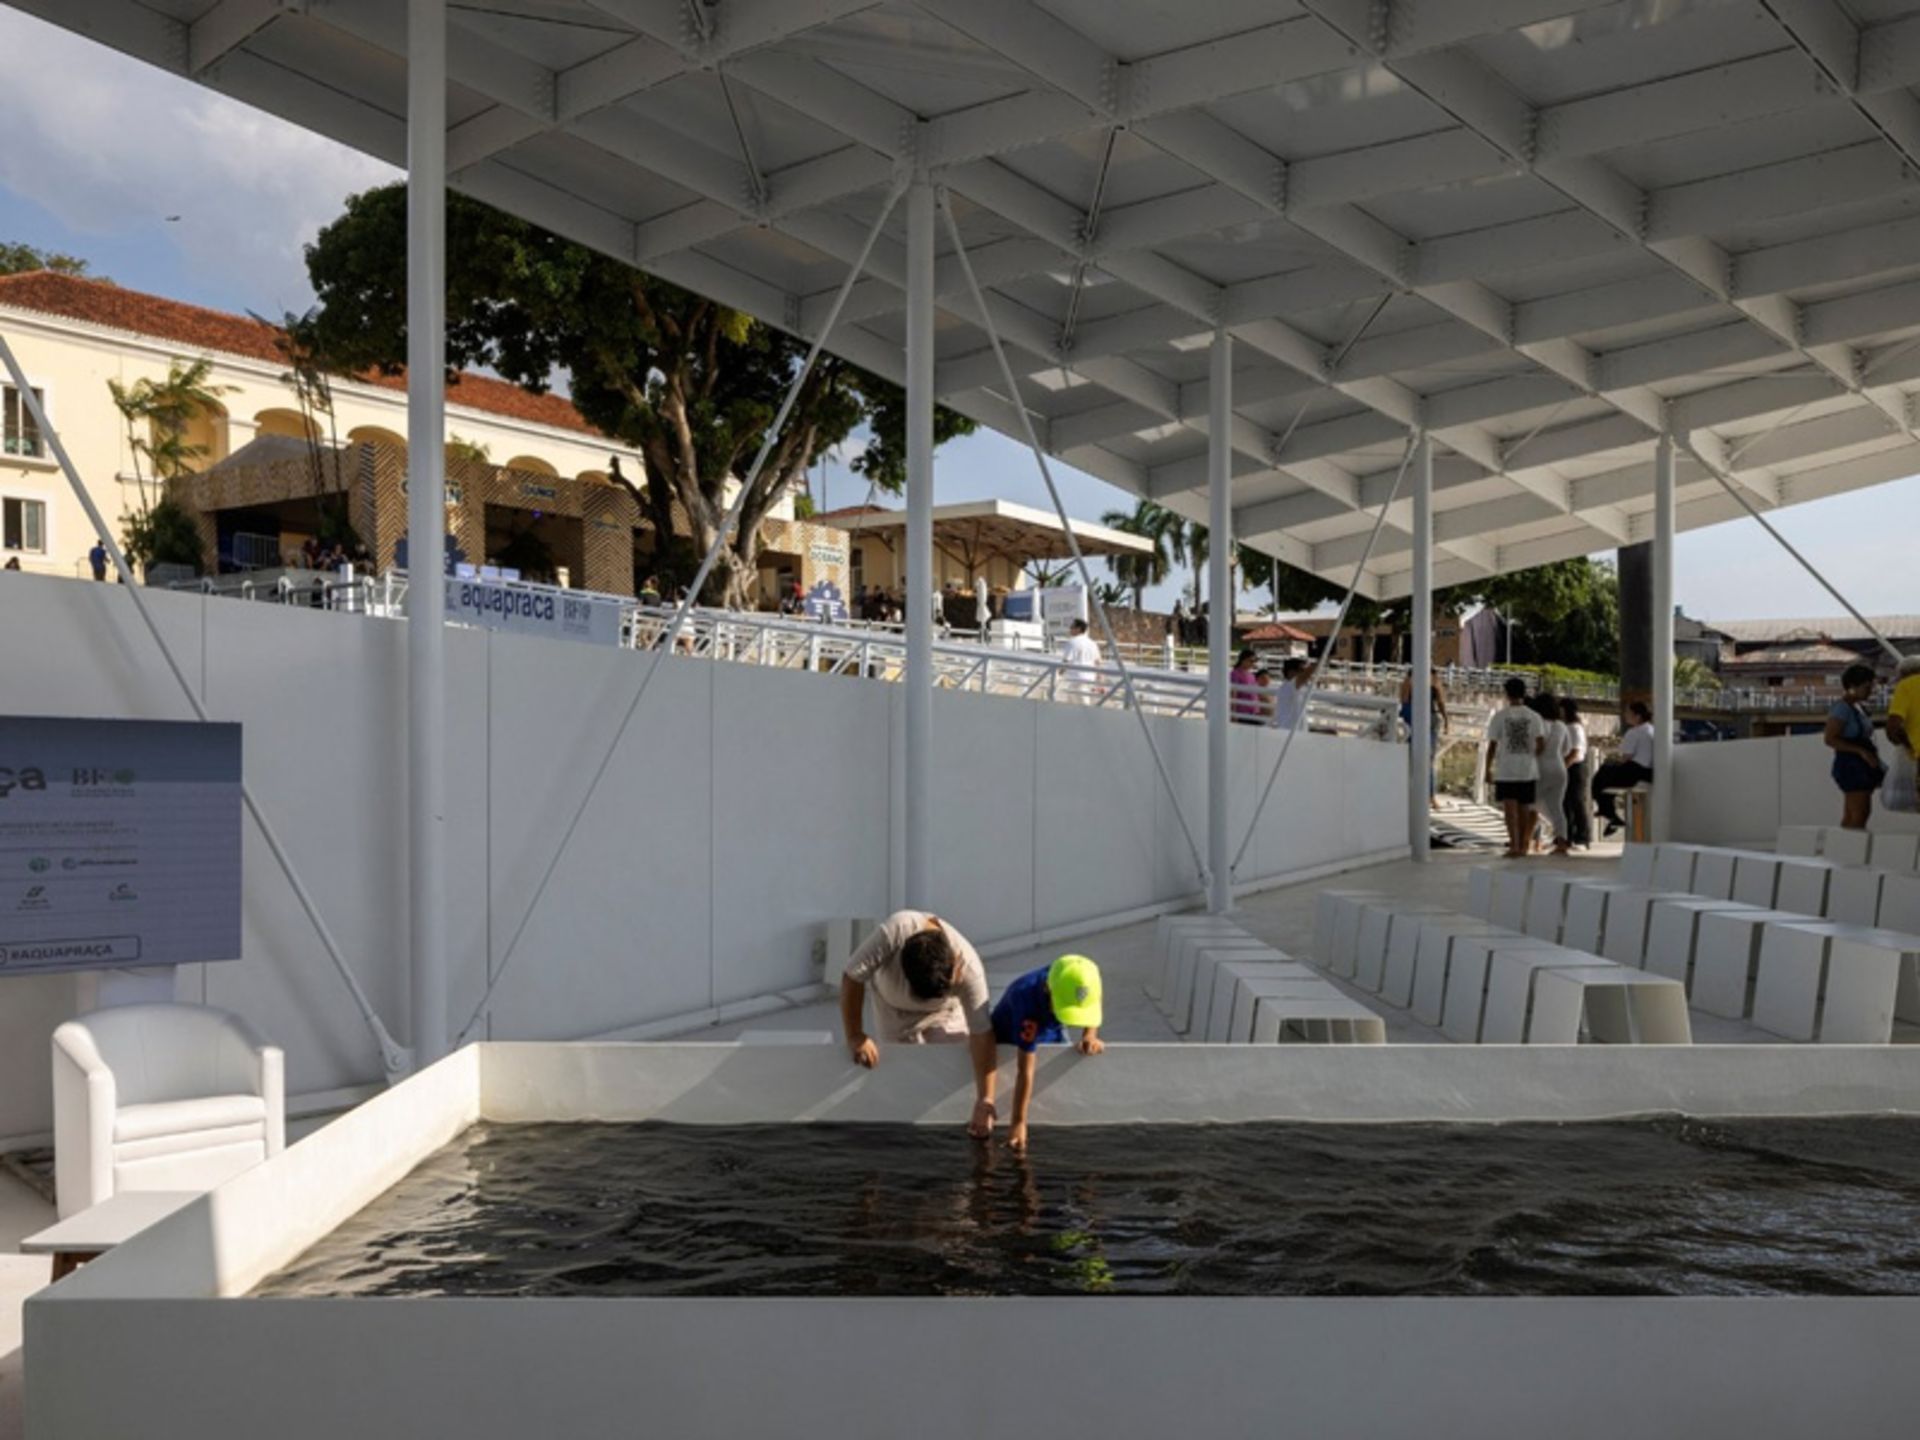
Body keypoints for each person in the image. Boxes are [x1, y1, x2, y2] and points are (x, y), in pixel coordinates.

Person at [840, 911, 1000, 1139]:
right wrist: (855, 1035)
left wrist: (986, 1099)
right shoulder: (893, 932)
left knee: (955, 1069)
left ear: (955, 966)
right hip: (892, 1010)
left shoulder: (969, 968)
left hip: (944, 1013)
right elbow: (852, 976)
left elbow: (982, 1033)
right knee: (896, 1083)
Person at [990, 954, 1104, 1152]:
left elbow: (1093, 1001)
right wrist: (1018, 1122)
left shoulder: (1080, 978)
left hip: (1052, 1025)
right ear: (1047, 990)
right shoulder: (1025, 1001)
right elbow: (1025, 1070)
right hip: (1012, 1032)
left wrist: (1089, 1035)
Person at [1485, 676, 1546, 859]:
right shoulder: (1534, 717)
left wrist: (1488, 768)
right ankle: (1523, 846)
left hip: (1506, 769)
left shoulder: (1500, 717)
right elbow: (1541, 744)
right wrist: (1531, 755)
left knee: (1510, 810)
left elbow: (1492, 745)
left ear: (1507, 694)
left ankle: (1514, 845)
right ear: (1524, 693)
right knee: (1524, 808)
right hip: (1528, 768)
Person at [1826, 663, 1886, 831]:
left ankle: (1846, 842)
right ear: (1853, 686)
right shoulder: (1842, 709)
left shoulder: (1857, 707)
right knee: (1859, 813)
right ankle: (1853, 843)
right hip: (1852, 766)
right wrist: (1861, 751)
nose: (1870, 691)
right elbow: (1830, 738)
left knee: (1852, 813)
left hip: (1858, 764)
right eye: (1867, 687)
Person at [1593, 701, 1656, 836]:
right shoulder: (1652, 730)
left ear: (1637, 716)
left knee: (1602, 775)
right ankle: (1608, 813)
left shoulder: (1634, 732)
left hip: (1634, 771)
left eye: (1628, 713)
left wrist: (1613, 761)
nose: (1625, 715)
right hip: (1648, 772)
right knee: (1607, 776)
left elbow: (1626, 756)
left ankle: (1608, 813)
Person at [1531, 692, 1570, 855]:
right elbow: (1566, 749)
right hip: (1559, 768)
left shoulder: (1536, 723)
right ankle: (1562, 842)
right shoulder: (1562, 726)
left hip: (1540, 768)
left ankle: (1527, 839)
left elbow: (1533, 746)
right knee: (1557, 807)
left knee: (1528, 803)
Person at [1561, 697, 1592, 850]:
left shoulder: (1574, 728)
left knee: (1576, 801)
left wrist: (1562, 767)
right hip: (1567, 765)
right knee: (1565, 803)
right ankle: (1568, 836)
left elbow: (1575, 752)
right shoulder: (1565, 727)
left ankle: (1582, 837)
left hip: (1575, 767)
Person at [1060, 617, 1101, 703]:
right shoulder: (1092, 643)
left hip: (1076, 679)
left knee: (1082, 705)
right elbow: (1098, 662)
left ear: (1078, 629)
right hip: (1090, 678)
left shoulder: (1072, 642)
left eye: (1072, 627)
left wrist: (1059, 674)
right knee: (1073, 703)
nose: (1070, 629)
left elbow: (1066, 662)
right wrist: (1099, 679)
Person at [1270, 657, 1308, 732]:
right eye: (1302, 670)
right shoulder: (1290, 686)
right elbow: (1306, 675)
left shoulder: (1288, 686)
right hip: (1291, 730)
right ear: (1291, 672)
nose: (1304, 673)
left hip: (1289, 730)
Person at [1230, 647, 1261, 724]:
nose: (1253, 663)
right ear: (1243, 660)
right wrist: (1233, 714)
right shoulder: (1235, 673)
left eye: (1254, 661)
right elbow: (1233, 694)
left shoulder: (1251, 675)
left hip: (1254, 712)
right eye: (1251, 661)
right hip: (1242, 712)